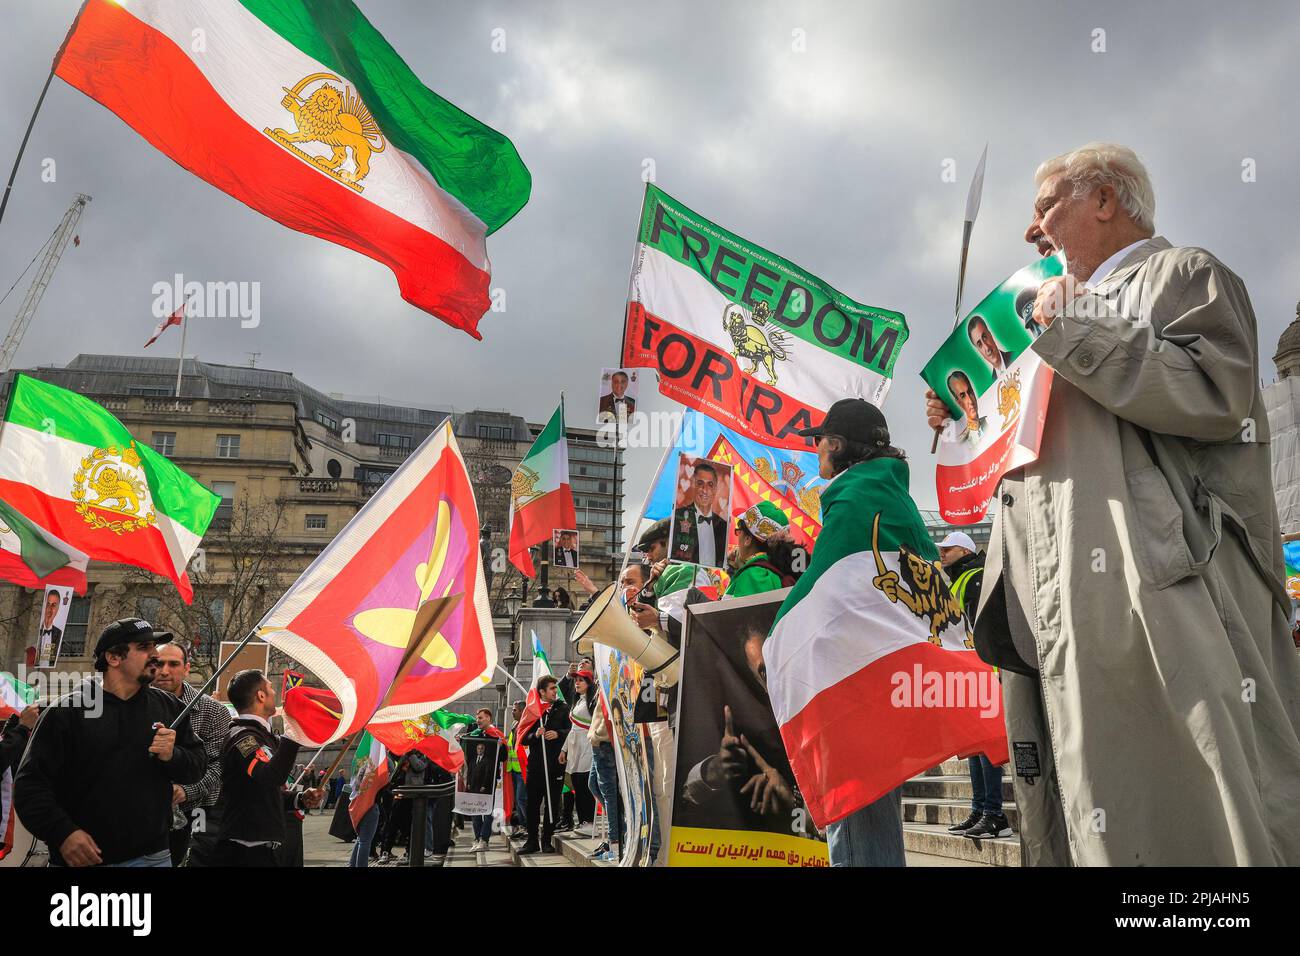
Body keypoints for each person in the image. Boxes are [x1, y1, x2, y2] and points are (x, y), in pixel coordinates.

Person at [925, 141, 1300, 865]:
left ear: (1105, 200)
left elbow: (1214, 396)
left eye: (1046, 207)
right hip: (1059, 632)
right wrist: (968, 430)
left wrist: (1074, 325)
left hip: (1161, 619)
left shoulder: (1183, 274)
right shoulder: (1044, 326)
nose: (1033, 230)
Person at [784, 398, 924, 866]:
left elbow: (825, 585)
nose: (814, 450)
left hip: (859, 680)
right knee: (873, 808)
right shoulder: (889, 492)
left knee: (854, 806)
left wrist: (775, 633)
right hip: (885, 676)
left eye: (819, 441)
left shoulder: (854, 499)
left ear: (839, 445)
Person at [14, 618, 206, 867]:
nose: (155, 655)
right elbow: (30, 786)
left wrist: (173, 755)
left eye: (153, 647)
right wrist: (63, 833)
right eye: (144, 647)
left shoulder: (169, 706)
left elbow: (198, 765)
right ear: (114, 657)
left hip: (153, 857)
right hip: (82, 860)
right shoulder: (66, 712)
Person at [936, 533, 1012, 841]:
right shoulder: (958, 578)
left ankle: (995, 815)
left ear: (965, 550)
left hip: (982, 671)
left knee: (984, 748)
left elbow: (978, 625)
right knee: (973, 747)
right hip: (968, 673)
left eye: (948, 549)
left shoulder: (976, 575)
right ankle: (980, 810)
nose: (942, 553)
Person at [207, 669, 322, 867]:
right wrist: (292, 735)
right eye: (270, 687)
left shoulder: (261, 736)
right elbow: (270, 777)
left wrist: (299, 798)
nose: (274, 692)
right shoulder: (243, 738)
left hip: (260, 849)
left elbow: (262, 791)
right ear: (260, 696)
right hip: (243, 851)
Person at [152, 638, 232, 866]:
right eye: (158, 664)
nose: (164, 671)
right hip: (143, 813)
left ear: (187, 668)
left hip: (195, 815)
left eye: (173, 664)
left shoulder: (213, 711)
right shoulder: (134, 706)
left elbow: (218, 765)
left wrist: (186, 791)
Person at [518, 675, 570, 854]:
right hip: (536, 766)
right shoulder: (532, 710)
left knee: (553, 803)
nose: (556, 691)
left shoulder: (563, 708)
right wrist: (536, 735)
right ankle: (532, 841)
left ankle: (547, 839)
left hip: (555, 764)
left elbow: (571, 731)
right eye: (552, 688)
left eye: (556, 688)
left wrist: (558, 734)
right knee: (532, 803)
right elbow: (523, 737)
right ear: (542, 691)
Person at [724, 501, 801, 598]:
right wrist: (737, 572)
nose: (738, 538)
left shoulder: (754, 576)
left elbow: (733, 613)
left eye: (739, 532)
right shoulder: (773, 570)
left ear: (747, 539)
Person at [463, 708, 506, 852]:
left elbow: (503, 757)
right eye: (477, 718)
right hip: (474, 781)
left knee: (487, 810)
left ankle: (484, 839)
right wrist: (461, 741)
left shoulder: (496, 735)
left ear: (488, 718)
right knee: (475, 809)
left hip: (488, 781)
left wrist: (501, 746)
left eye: (481, 718)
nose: (478, 721)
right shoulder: (475, 734)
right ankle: (477, 838)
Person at [586, 689, 621, 862]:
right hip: (598, 741)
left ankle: (614, 841)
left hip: (606, 741)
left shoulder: (611, 673)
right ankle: (619, 828)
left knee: (609, 793)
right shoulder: (599, 684)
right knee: (593, 784)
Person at [560, 670, 596, 835]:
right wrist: (564, 749)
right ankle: (582, 821)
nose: (577, 683)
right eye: (576, 680)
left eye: (581, 680)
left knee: (584, 784)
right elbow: (573, 729)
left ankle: (589, 821)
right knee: (576, 784)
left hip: (587, 746)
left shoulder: (592, 702)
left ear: (589, 683)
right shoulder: (578, 701)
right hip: (574, 748)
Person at [671, 460, 727, 566]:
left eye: (710, 485)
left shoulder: (723, 526)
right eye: (700, 483)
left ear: (715, 489)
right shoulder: (678, 517)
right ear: (693, 484)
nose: (705, 490)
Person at [505, 701, 527, 837]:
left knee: (521, 799)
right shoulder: (514, 725)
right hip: (513, 769)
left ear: (522, 711)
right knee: (517, 800)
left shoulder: (524, 725)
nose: (512, 712)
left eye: (515, 710)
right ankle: (520, 824)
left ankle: (526, 825)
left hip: (522, 770)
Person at [946, 370, 986, 443]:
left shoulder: (990, 421)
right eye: (963, 396)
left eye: (970, 392)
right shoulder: (964, 443)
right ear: (958, 402)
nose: (970, 401)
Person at [35, 590, 62, 664]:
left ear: (58, 609)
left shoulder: (59, 633)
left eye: (53, 605)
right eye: (48, 604)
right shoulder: (36, 631)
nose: (49, 609)